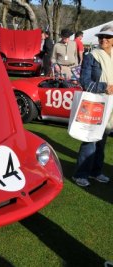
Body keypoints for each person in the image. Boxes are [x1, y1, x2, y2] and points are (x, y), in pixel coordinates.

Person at [72, 24, 113, 187]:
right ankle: (80, 174)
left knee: (102, 141)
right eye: (101, 37)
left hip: (110, 105)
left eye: (108, 37)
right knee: (90, 140)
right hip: (95, 103)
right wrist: (104, 87)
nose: (104, 40)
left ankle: (96, 172)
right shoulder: (92, 56)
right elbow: (84, 81)